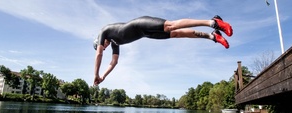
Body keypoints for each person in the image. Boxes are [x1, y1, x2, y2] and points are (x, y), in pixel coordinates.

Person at [93, 15, 233, 85]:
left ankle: (212, 22)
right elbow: (113, 62)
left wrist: (95, 74)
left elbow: (98, 54)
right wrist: (103, 77)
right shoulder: (114, 42)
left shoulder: (103, 32)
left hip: (140, 24)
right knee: (176, 34)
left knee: (171, 26)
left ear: (98, 41)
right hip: (146, 34)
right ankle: (212, 36)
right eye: (104, 48)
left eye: (102, 46)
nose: (104, 48)